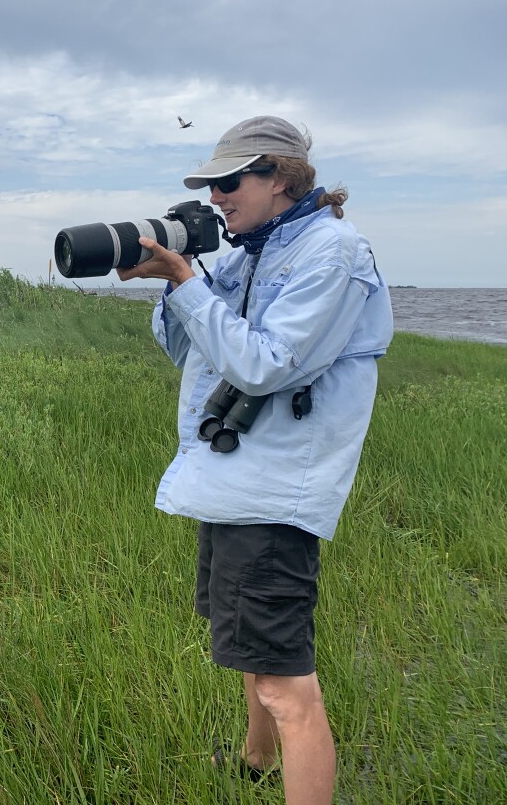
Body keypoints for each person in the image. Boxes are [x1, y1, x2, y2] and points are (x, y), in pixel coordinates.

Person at [116, 116, 393, 805]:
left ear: (280, 178)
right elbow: (188, 350)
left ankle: (284, 768)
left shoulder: (330, 251)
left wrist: (185, 279)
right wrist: (173, 277)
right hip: (232, 478)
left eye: (228, 181)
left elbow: (264, 365)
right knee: (250, 649)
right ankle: (253, 763)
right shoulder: (251, 250)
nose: (215, 196)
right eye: (211, 185)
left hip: (275, 484)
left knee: (281, 680)